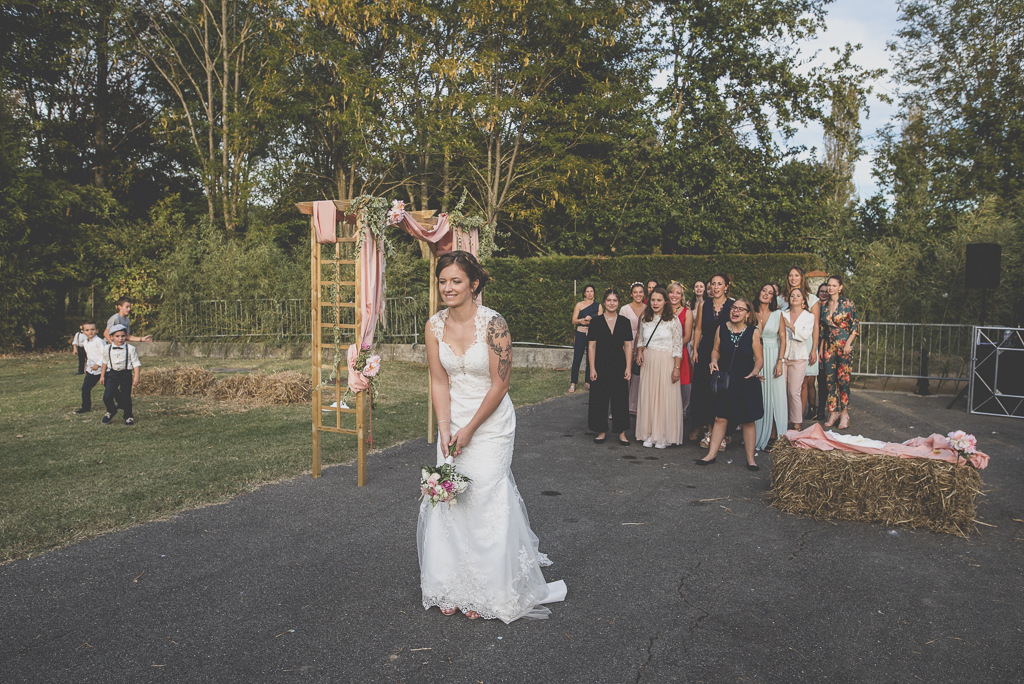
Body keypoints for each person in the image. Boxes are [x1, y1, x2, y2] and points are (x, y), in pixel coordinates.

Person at [419, 250, 566, 622]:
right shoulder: (434, 325)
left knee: (483, 495)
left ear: (474, 284)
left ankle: (488, 590)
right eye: (442, 281)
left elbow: (501, 385)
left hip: (491, 422)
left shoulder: (494, 325)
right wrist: (445, 427)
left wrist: (470, 429)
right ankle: (450, 586)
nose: (448, 288)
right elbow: (438, 380)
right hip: (453, 422)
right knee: (450, 498)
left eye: (456, 281)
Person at [696, 298, 764, 470]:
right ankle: (711, 455)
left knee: (748, 420)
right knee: (720, 417)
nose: (735, 311)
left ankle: (751, 459)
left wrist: (756, 370)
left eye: (741, 309)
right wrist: (713, 361)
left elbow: (759, 358)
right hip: (725, 378)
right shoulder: (722, 329)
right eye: (734, 308)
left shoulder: (753, 332)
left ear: (748, 314)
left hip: (746, 378)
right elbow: (716, 350)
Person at [635, 286, 685, 448]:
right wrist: (640, 352)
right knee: (649, 396)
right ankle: (649, 433)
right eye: (653, 300)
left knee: (664, 397)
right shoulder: (645, 318)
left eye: (659, 300)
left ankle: (662, 435)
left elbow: (678, 346)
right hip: (649, 362)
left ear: (665, 301)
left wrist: (676, 368)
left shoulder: (673, 320)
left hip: (666, 361)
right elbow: (641, 339)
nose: (655, 303)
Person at [689, 274, 734, 446]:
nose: (715, 287)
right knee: (704, 390)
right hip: (706, 349)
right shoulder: (704, 305)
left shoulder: (732, 305)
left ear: (726, 286)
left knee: (723, 391)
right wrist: (695, 349)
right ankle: (709, 430)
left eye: (719, 284)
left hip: (725, 350)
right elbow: (698, 328)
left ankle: (723, 432)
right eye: (713, 284)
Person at [587, 289, 633, 445]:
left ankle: (621, 433)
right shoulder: (595, 322)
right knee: (599, 398)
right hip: (600, 364)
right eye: (609, 300)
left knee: (620, 398)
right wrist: (592, 368)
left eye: (615, 300)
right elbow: (591, 347)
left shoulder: (625, 322)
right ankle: (601, 431)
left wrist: (628, 367)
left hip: (619, 364)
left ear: (618, 303)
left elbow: (628, 346)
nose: (612, 303)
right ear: (604, 302)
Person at [781, 267, 821, 421]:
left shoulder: (811, 299)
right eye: (790, 275)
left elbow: (816, 325)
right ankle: (785, 417)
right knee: (784, 387)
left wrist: (814, 348)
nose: (793, 278)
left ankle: (798, 418)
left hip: (806, 341)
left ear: (802, 277)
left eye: (796, 275)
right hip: (786, 344)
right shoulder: (781, 298)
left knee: (802, 384)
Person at [820, 275, 859, 429]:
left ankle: (844, 414)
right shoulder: (823, 305)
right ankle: (833, 412)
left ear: (840, 287)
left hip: (844, 345)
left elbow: (855, 326)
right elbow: (822, 329)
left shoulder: (848, 303)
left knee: (843, 381)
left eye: (834, 285)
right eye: (829, 285)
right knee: (830, 381)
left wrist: (849, 343)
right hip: (828, 347)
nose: (830, 288)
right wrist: (821, 349)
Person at [753, 283, 787, 451]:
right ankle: (756, 435)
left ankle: (773, 436)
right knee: (757, 396)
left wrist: (780, 361)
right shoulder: (751, 312)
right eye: (764, 290)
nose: (766, 294)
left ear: (773, 297)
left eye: (770, 293)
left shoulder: (778, 314)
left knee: (774, 398)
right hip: (755, 357)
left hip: (773, 356)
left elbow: (783, 339)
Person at [781, 288, 815, 431]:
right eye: (792, 295)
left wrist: (790, 326)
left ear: (803, 301)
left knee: (794, 391)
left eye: (798, 295)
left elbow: (805, 335)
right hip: (782, 356)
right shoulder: (782, 314)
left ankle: (797, 423)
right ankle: (782, 421)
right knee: (781, 391)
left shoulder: (809, 316)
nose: (794, 297)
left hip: (799, 356)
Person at [100, 324, 141, 426]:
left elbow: (135, 362)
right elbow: (105, 362)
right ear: (111, 337)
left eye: (123, 336)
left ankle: (128, 417)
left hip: (125, 374)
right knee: (107, 396)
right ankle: (111, 410)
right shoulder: (107, 348)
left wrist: (136, 376)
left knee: (125, 397)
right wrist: (102, 375)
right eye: (117, 336)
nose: (120, 338)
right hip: (112, 374)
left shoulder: (130, 348)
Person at [666, 281, 693, 417]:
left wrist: (673, 349)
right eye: (672, 292)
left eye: (678, 293)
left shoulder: (687, 313)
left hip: (679, 351)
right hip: (663, 352)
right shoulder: (661, 309)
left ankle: (679, 414)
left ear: (682, 296)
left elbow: (687, 336)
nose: (674, 295)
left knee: (680, 383)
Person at [620, 282, 647, 414]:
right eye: (635, 292)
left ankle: (635, 405)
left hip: (643, 344)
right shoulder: (625, 309)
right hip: (627, 342)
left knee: (639, 376)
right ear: (631, 294)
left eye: (640, 292)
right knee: (625, 376)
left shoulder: (649, 308)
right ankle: (620, 406)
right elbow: (619, 328)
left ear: (644, 293)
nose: (638, 294)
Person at [569, 285, 600, 393]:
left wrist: (589, 322)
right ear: (584, 293)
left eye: (592, 291)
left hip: (593, 334)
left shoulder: (598, 306)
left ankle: (588, 381)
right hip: (581, 333)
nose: (590, 293)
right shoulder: (579, 305)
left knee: (590, 358)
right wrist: (582, 319)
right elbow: (574, 321)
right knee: (577, 357)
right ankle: (573, 383)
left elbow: (600, 322)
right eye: (588, 291)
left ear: (594, 293)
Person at [73, 321, 106, 414]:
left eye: (92, 330)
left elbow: (105, 354)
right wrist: (88, 365)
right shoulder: (85, 342)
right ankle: (86, 407)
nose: (90, 332)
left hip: (103, 369)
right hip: (92, 371)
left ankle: (121, 403)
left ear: (97, 330)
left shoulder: (99, 341)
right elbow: (89, 355)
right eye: (87, 330)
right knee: (85, 389)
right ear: (83, 332)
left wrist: (98, 364)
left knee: (111, 388)